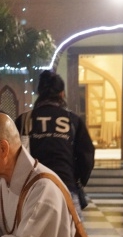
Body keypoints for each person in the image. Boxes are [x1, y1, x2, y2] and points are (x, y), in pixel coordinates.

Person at [14, 70, 95, 219]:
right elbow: (87, 156)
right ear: (62, 94)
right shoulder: (72, 120)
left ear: (39, 93)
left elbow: (13, 155)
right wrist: (77, 179)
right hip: (66, 186)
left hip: (33, 189)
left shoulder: (24, 120)